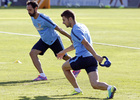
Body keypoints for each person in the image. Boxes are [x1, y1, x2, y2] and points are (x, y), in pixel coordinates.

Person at [57, 10, 116, 99]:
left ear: (70, 19)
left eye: (64, 20)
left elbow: (85, 43)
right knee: (94, 84)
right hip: (91, 60)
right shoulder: (82, 26)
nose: (63, 22)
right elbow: (76, 45)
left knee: (64, 67)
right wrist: (63, 51)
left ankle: (77, 90)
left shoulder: (74, 30)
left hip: (83, 58)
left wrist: (97, 56)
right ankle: (109, 88)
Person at [26, 1, 80, 81]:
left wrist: (70, 37)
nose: (28, 12)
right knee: (32, 53)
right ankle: (42, 76)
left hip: (54, 40)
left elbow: (58, 29)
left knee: (64, 56)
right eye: (27, 10)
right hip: (44, 40)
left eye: (30, 10)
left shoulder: (44, 18)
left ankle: (77, 67)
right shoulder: (32, 16)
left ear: (36, 9)